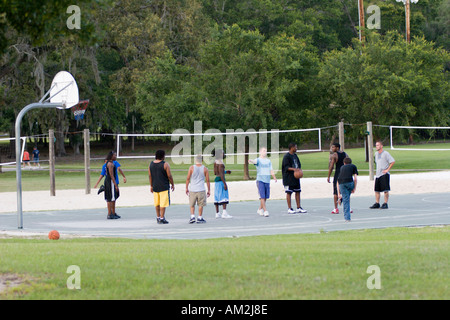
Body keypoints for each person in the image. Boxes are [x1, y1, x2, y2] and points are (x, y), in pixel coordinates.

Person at [249, 147, 277, 217]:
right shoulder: (258, 160)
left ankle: (259, 209)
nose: (265, 152)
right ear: (260, 152)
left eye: (266, 151)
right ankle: (265, 210)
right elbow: (254, 161)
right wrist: (251, 161)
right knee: (262, 196)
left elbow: (271, 170)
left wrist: (274, 177)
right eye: (264, 151)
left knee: (265, 197)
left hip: (267, 180)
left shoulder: (268, 161)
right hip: (260, 180)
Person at [149, 150, 175, 224]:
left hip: (155, 186)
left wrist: (151, 185)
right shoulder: (165, 164)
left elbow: (150, 176)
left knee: (157, 203)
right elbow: (169, 175)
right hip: (163, 186)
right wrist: (172, 184)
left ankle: (158, 217)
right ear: (163, 156)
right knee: (163, 203)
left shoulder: (151, 164)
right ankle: (162, 218)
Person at [282, 143, 307, 214]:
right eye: (296, 147)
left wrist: (299, 169)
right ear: (292, 148)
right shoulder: (286, 156)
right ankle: (289, 208)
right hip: (288, 178)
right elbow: (286, 167)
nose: (297, 148)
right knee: (289, 192)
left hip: (295, 178)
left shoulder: (295, 156)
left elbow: (299, 164)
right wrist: (294, 169)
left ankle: (299, 207)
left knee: (298, 191)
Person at [370, 141, 395, 209]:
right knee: (376, 190)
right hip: (378, 174)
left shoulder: (386, 153)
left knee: (385, 190)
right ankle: (377, 203)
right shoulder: (376, 154)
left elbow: (392, 161)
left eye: (378, 145)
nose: (376, 146)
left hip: (384, 174)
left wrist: (387, 170)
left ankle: (385, 203)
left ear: (381, 146)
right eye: (376, 145)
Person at [185, 155, 210, 224]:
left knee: (192, 204)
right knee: (200, 204)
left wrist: (186, 188)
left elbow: (188, 179)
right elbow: (207, 180)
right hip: (201, 189)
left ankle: (192, 216)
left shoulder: (191, 168)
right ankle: (199, 217)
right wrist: (209, 190)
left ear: (196, 160)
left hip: (193, 189)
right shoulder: (205, 169)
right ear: (202, 160)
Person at [327, 143, 347, 214]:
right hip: (344, 174)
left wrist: (329, 176)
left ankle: (336, 208)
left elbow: (332, 166)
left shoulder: (334, 155)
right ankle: (348, 207)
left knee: (335, 191)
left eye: (333, 147)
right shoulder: (345, 154)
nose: (332, 149)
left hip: (338, 174)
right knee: (345, 191)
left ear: (337, 148)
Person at [337, 157, 358, 222]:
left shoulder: (342, 167)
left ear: (344, 163)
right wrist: (354, 188)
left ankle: (342, 198)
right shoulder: (353, 166)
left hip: (341, 183)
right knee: (346, 200)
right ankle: (347, 218)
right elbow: (355, 178)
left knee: (346, 198)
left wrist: (338, 193)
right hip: (349, 182)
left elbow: (338, 181)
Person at [213, 149, 232, 219]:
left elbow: (216, 173)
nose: (224, 154)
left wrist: (226, 172)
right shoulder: (220, 163)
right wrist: (224, 183)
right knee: (224, 196)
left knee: (217, 196)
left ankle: (217, 213)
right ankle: (224, 213)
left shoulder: (215, 162)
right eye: (223, 153)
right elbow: (221, 174)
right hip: (221, 181)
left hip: (216, 181)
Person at [104, 151, 120, 219]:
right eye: (114, 155)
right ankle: (110, 214)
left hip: (109, 181)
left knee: (113, 197)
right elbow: (111, 175)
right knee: (110, 198)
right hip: (110, 182)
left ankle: (113, 212)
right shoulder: (110, 164)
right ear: (111, 156)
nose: (115, 157)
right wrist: (115, 185)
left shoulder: (111, 163)